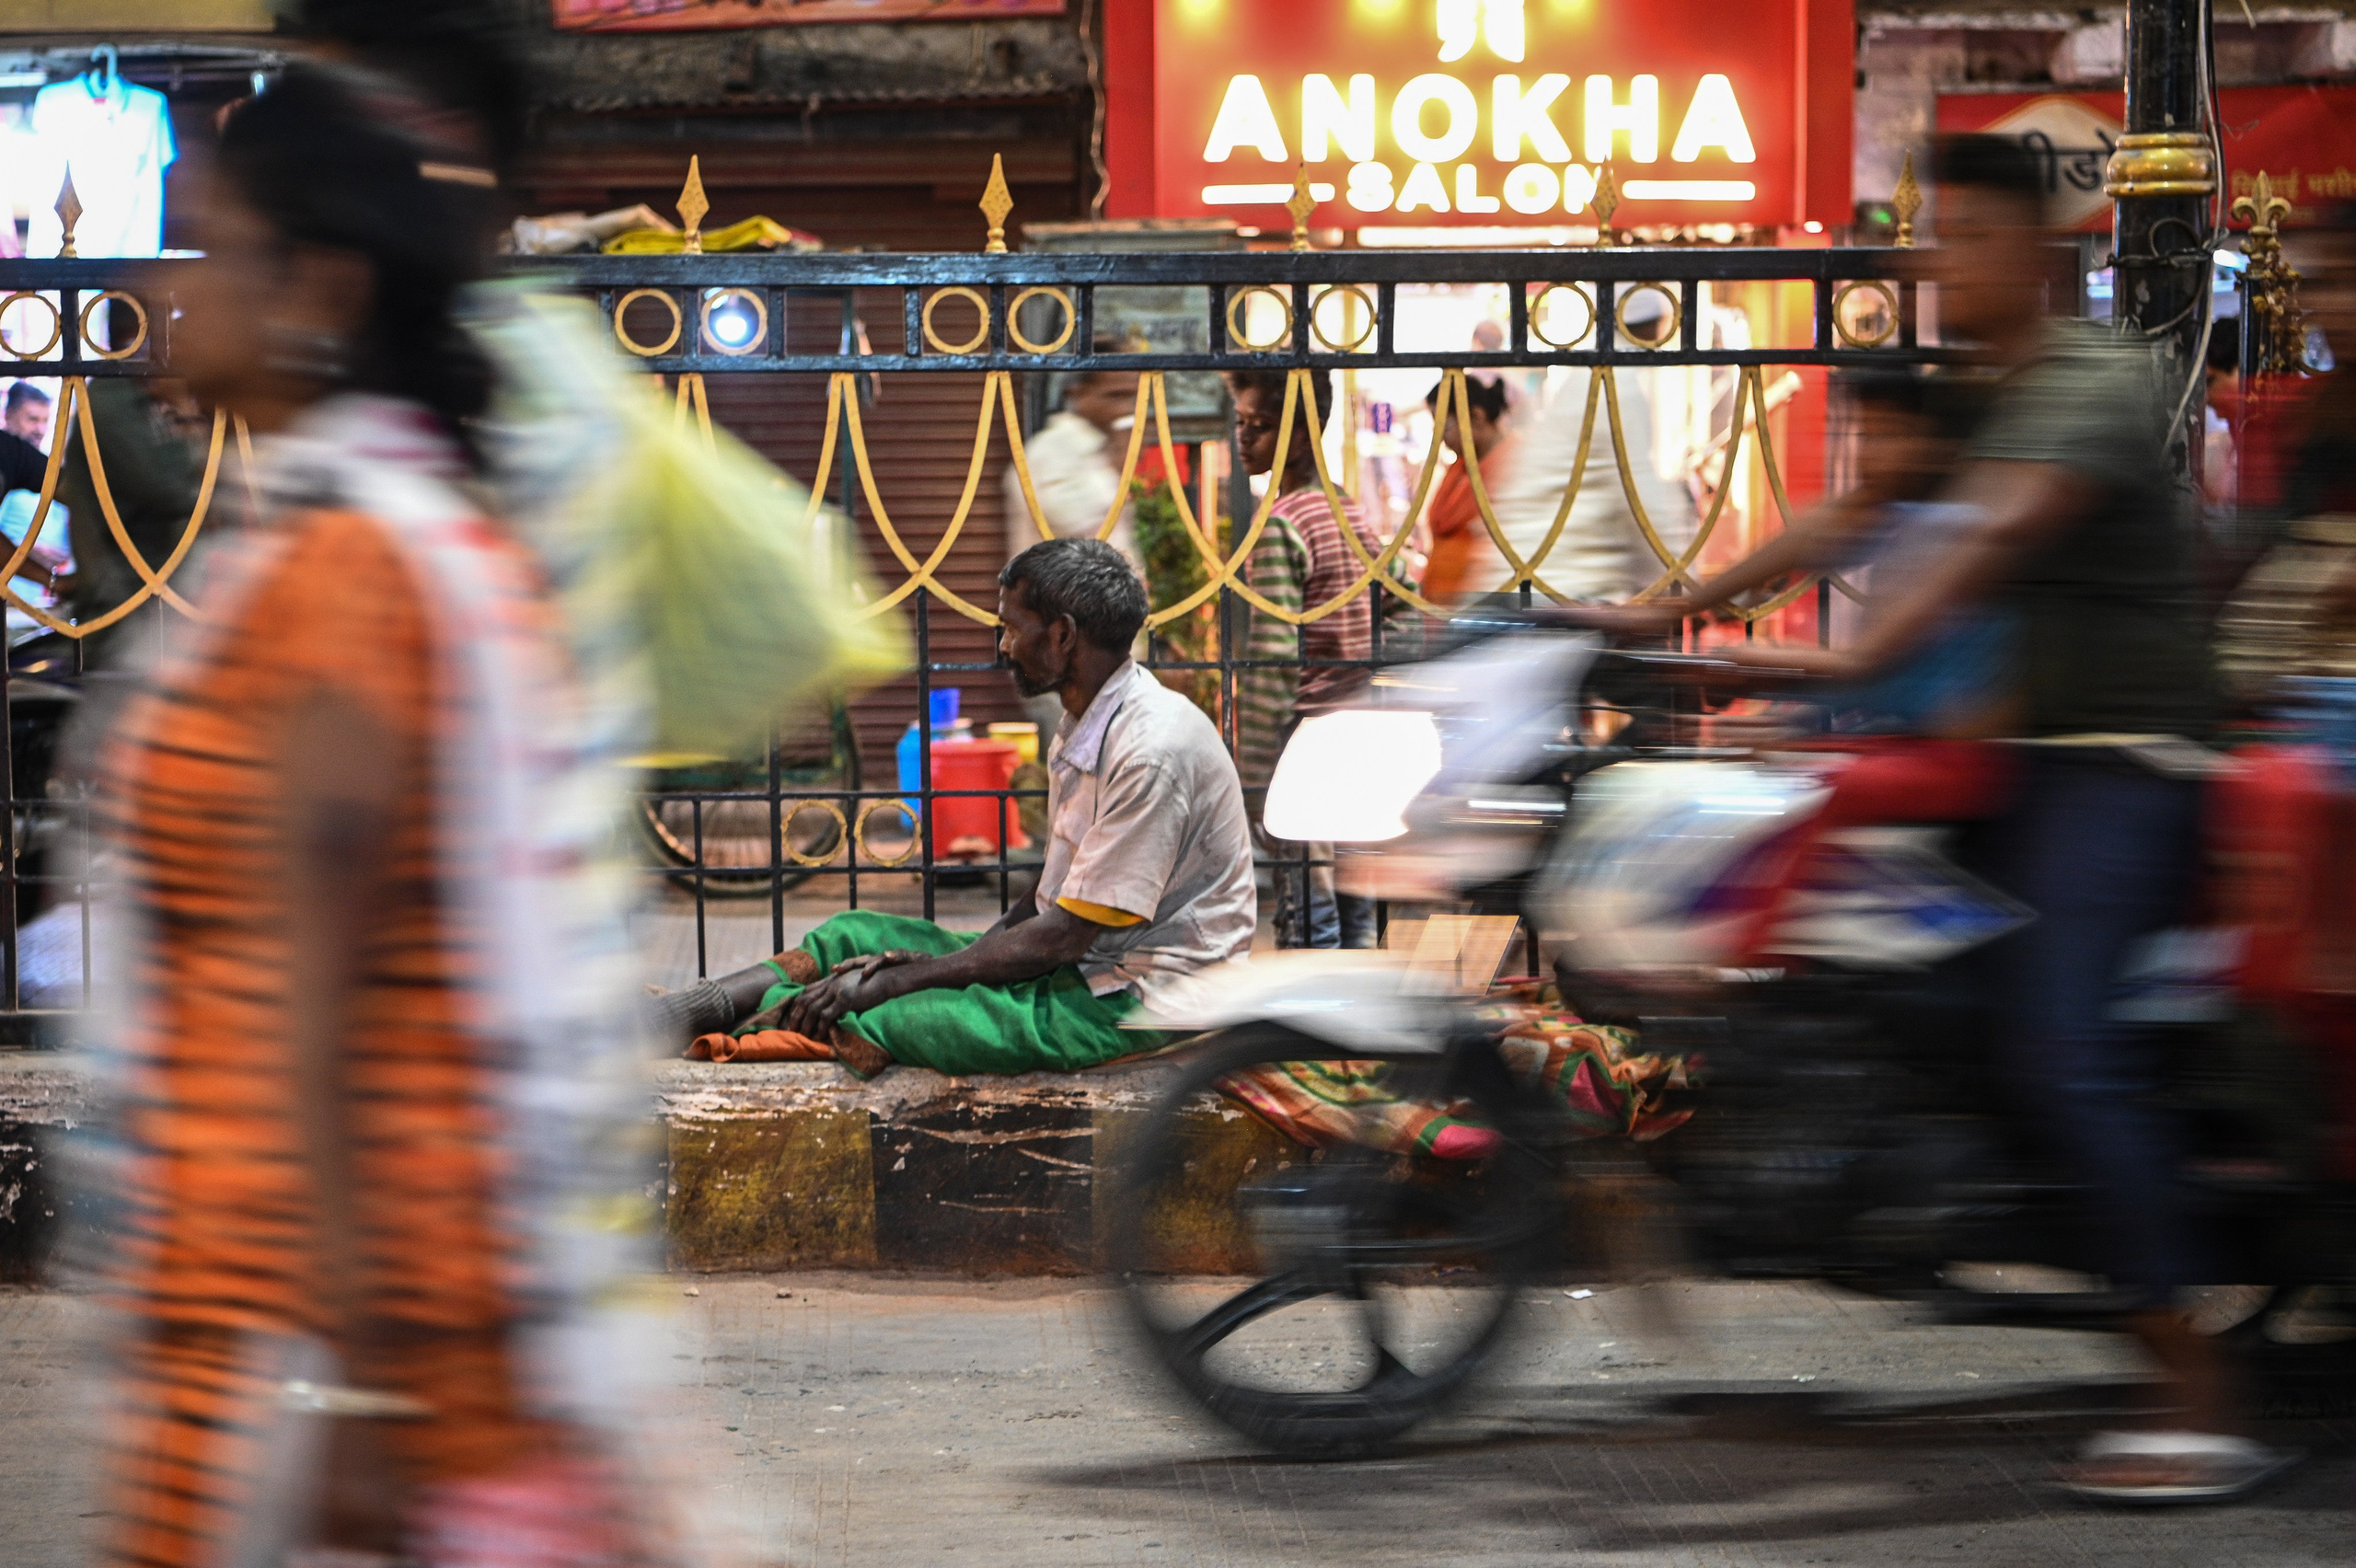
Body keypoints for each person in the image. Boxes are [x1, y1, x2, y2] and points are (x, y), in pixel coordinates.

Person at [94, 63, 668, 1567]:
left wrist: (349, 1387)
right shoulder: (368, 541)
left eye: (208, 240)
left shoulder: (344, 581)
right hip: (335, 1333)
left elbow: (312, 1008)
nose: (169, 281)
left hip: (334, 1356)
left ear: (317, 287)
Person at [1711, 135, 2267, 1502]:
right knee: (1884, 974)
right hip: (2019, 762)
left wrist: (1846, 663)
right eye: (1931, 236)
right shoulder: (1984, 385)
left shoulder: (2085, 382)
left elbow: (1986, 537)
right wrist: (1667, 612)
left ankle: (2197, 1392)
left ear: (2041, 251)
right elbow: (1862, 507)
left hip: (2126, 766)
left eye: (1964, 237)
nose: (1941, 264)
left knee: (2058, 1044)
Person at [749, 537, 1254, 1075]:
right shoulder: (1088, 724)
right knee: (854, 936)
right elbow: (1054, 899)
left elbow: (1063, 933)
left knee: (909, 1015)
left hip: (1148, 996)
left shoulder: (1151, 753)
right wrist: (944, 964)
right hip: (1084, 962)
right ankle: (704, 1006)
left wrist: (905, 980)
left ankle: (735, 1023)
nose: (1004, 647)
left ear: (1062, 635)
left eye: (1012, 629)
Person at [1226, 366, 1412, 949]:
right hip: (1358, 727)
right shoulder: (1347, 512)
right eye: (1241, 424)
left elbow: (1277, 655)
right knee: (1353, 895)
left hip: (1304, 739)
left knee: (1309, 903)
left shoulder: (1282, 524)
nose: (1244, 439)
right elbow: (1401, 593)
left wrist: (1252, 766)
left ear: (1301, 436)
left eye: (1259, 427)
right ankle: (1350, 1035)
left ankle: (1311, 1033)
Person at [1477, 289, 1695, 602]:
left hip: (1533, 583)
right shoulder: (1615, 384)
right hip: (1559, 594)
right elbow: (1641, 502)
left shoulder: (1594, 377)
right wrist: (1684, 584)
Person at [1003, 351, 1145, 738]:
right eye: (1114, 395)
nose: (1127, 408)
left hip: (1099, 653)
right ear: (1079, 393)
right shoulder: (1054, 454)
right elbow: (1090, 540)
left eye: (1132, 395)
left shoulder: (1097, 454)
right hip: (1064, 651)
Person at [1417, 372, 1513, 605]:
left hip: (1481, 610)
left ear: (1476, 417)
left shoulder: (1512, 464)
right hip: (1443, 609)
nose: (1440, 439)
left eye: (1444, 427)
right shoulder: (1459, 467)